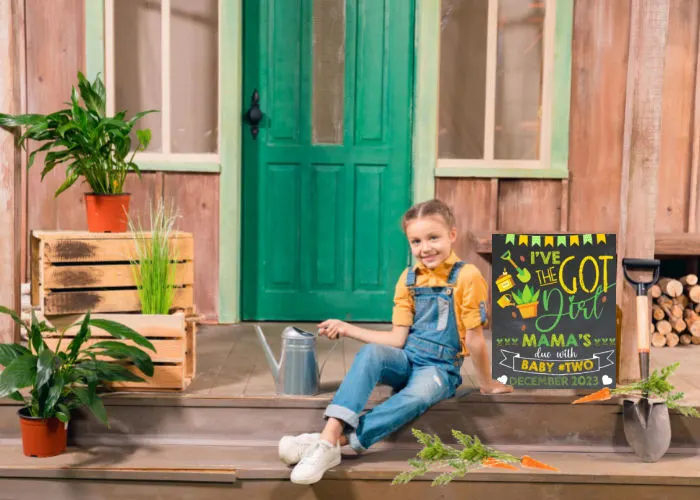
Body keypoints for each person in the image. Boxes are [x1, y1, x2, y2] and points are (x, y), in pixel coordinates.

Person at [278, 198, 513, 485]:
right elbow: (396, 339)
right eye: (416, 241)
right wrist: (347, 328)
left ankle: (333, 443)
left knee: (418, 396)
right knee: (371, 354)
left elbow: (475, 338)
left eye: (433, 238)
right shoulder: (408, 278)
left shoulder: (467, 276)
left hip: (439, 370)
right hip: (407, 359)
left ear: (452, 235)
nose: (424, 248)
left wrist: (486, 383)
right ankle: (329, 436)